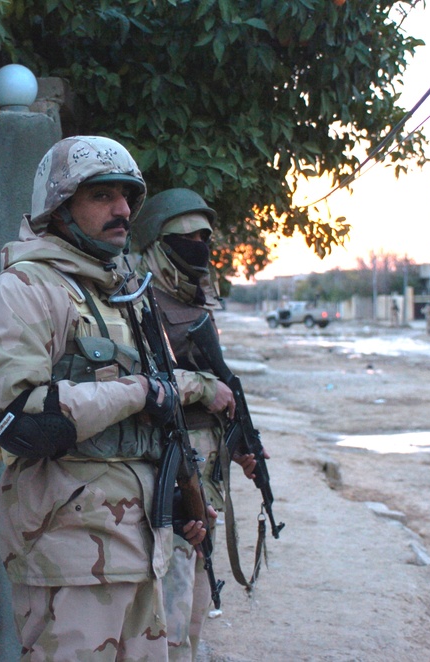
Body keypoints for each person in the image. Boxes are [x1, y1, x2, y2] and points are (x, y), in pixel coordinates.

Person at [0, 136, 231, 660]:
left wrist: (176, 501)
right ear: (59, 209)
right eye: (102, 196)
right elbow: (16, 421)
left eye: (127, 196)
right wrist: (138, 392)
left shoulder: (125, 295)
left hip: (143, 547)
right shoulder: (26, 290)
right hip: (69, 554)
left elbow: (161, 417)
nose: (123, 210)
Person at [131, 189, 253, 661]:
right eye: (188, 237)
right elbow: (142, 383)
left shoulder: (197, 301)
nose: (200, 245)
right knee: (171, 611)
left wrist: (242, 446)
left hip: (204, 478)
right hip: (166, 478)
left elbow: (223, 385)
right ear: (159, 244)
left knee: (196, 606)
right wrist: (202, 387)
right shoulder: (139, 304)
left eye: (206, 236)